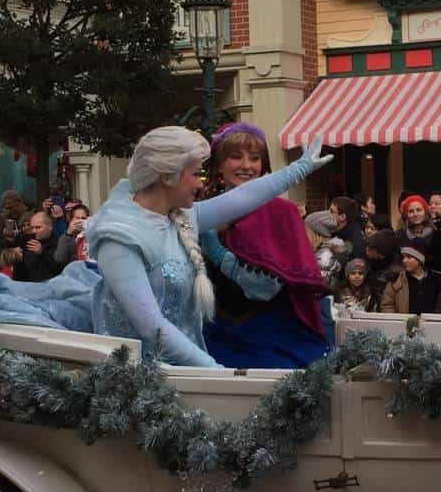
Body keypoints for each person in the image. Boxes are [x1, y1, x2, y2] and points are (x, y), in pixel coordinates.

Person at [84, 127, 332, 368]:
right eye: (195, 174)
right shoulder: (119, 238)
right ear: (167, 176)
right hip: (137, 377)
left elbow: (245, 197)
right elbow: (152, 327)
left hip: (184, 368)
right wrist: (216, 372)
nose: (200, 184)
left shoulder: (183, 216)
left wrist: (300, 168)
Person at [200, 122, 332, 369]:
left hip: (271, 340)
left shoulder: (282, 212)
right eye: (235, 157)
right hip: (213, 337)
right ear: (218, 164)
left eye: (255, 158)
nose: (246, 166)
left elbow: (263, 289)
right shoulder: (203, 209)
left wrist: (216, 253)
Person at [378, 241, 441, 315]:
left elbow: (439, 306)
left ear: (420, 260)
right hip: (402, 325)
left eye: (409, 257)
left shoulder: (434, 280)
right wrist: (398, 322)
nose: (404, 260)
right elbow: (387, 306)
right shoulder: (396, 280)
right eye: (403, 257)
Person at [12, 212, 64, 284]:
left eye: (38, 227)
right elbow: (20, 274)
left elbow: (59, 269)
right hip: (29, 288)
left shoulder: (60, 243)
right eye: (32, 227)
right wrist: (18, 260)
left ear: (50, 227)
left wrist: (42, 253)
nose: (34, 231)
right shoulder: (26, 241)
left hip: (51, 288)